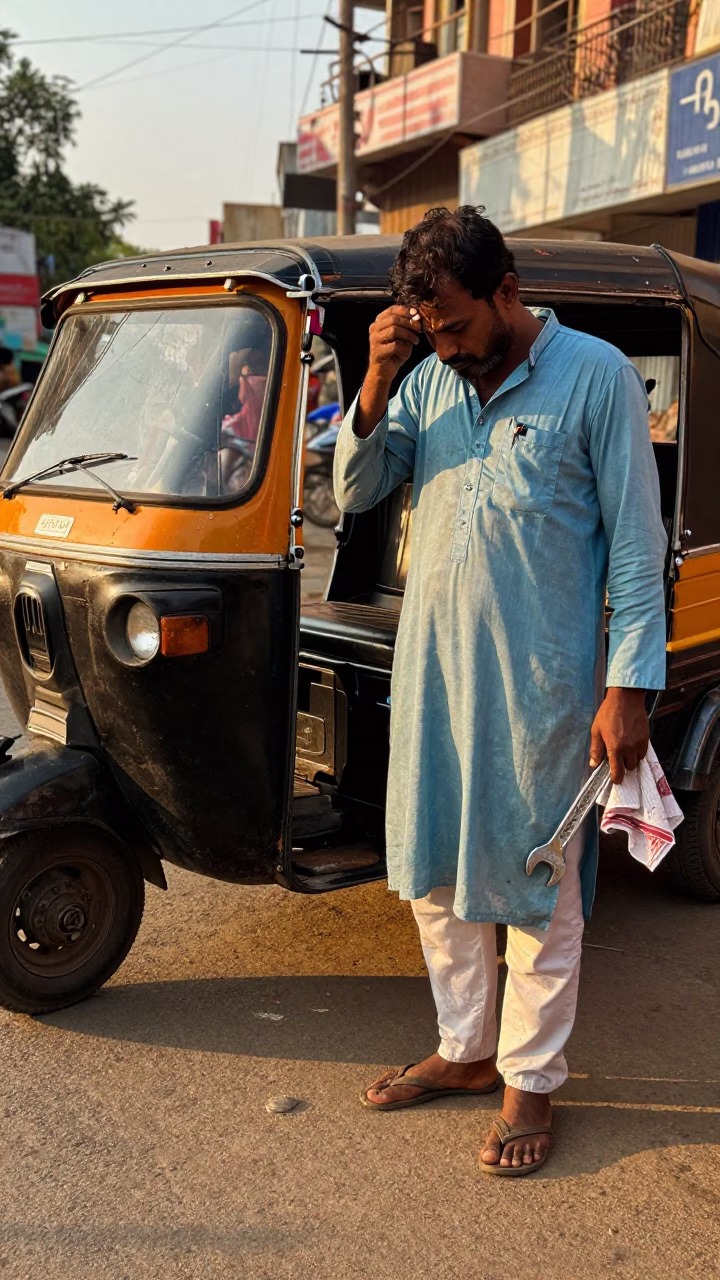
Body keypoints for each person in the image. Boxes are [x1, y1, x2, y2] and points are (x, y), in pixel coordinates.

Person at [333, 207, 667, 1177]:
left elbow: (640, 550)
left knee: (535, 892)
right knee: (436, 880)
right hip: (435, 685)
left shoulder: (594, 375)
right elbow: (356, 493)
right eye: (428, 332)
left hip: (543, 697)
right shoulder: (426, 380)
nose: (447, 348)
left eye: (456, 328)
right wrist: (379, 377)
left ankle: (530, 1079)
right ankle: (466, 1048)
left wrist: (629, 685)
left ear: (507, 294)